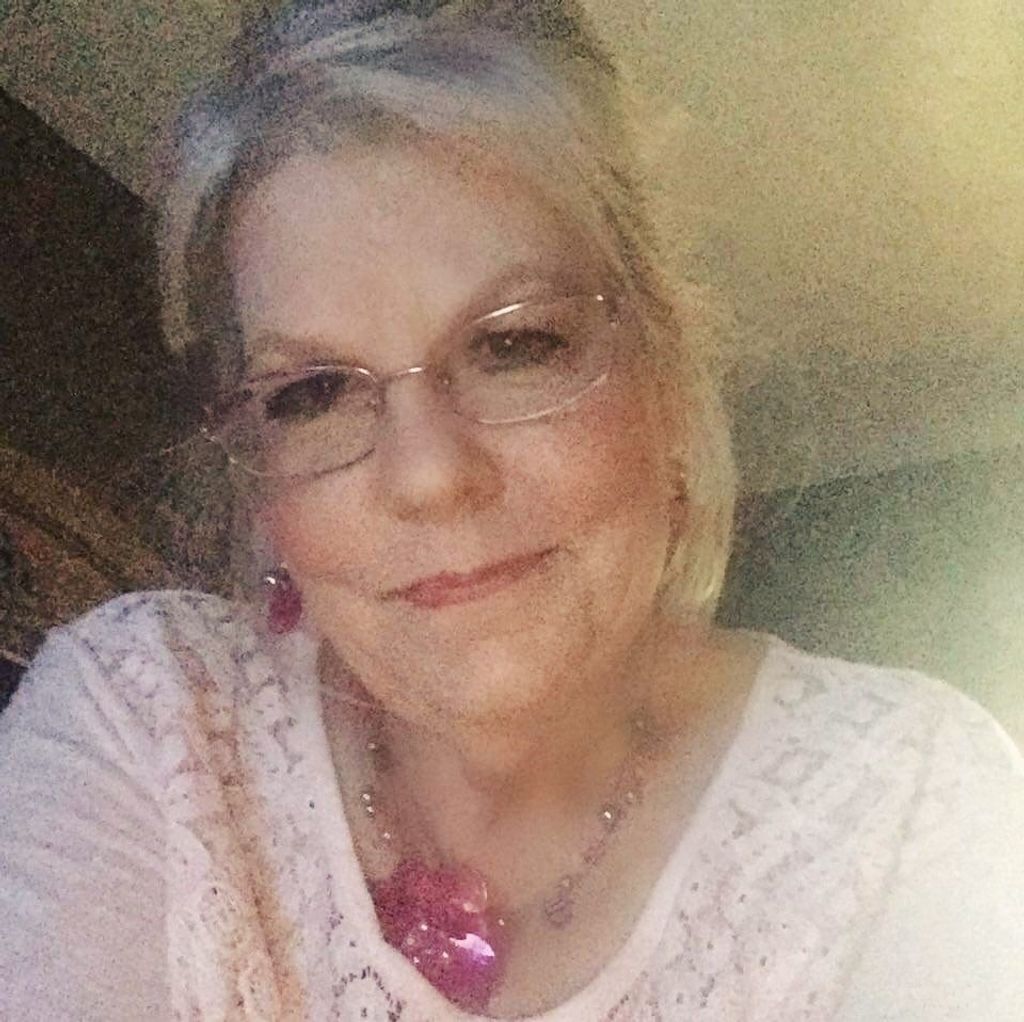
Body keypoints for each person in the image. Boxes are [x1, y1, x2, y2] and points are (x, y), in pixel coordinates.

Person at [1, 2, 1022, 1019]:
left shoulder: (915, 809)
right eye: (313, 392)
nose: (427, 476)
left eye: (514, 344)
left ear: (667, 374)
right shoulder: (144, 721)